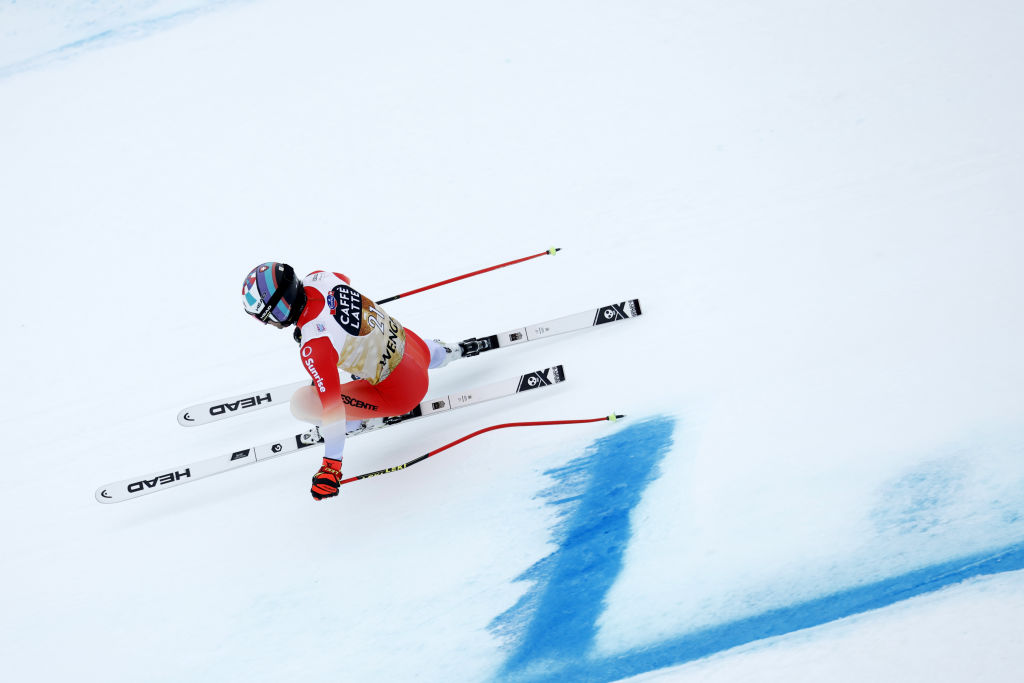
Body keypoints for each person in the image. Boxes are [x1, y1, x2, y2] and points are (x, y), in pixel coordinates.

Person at [241, 262, 460, 500]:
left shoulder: (314, 347)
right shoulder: (319, 277)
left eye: (266, 318)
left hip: (404, 393)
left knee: (302, 402)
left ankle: (354, 424)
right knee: (362, 346)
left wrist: (331, 468)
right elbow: (342, 280)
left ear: (279, 310)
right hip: (416, 348)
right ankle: (446, 352)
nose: (269, 324)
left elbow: (332, 409)